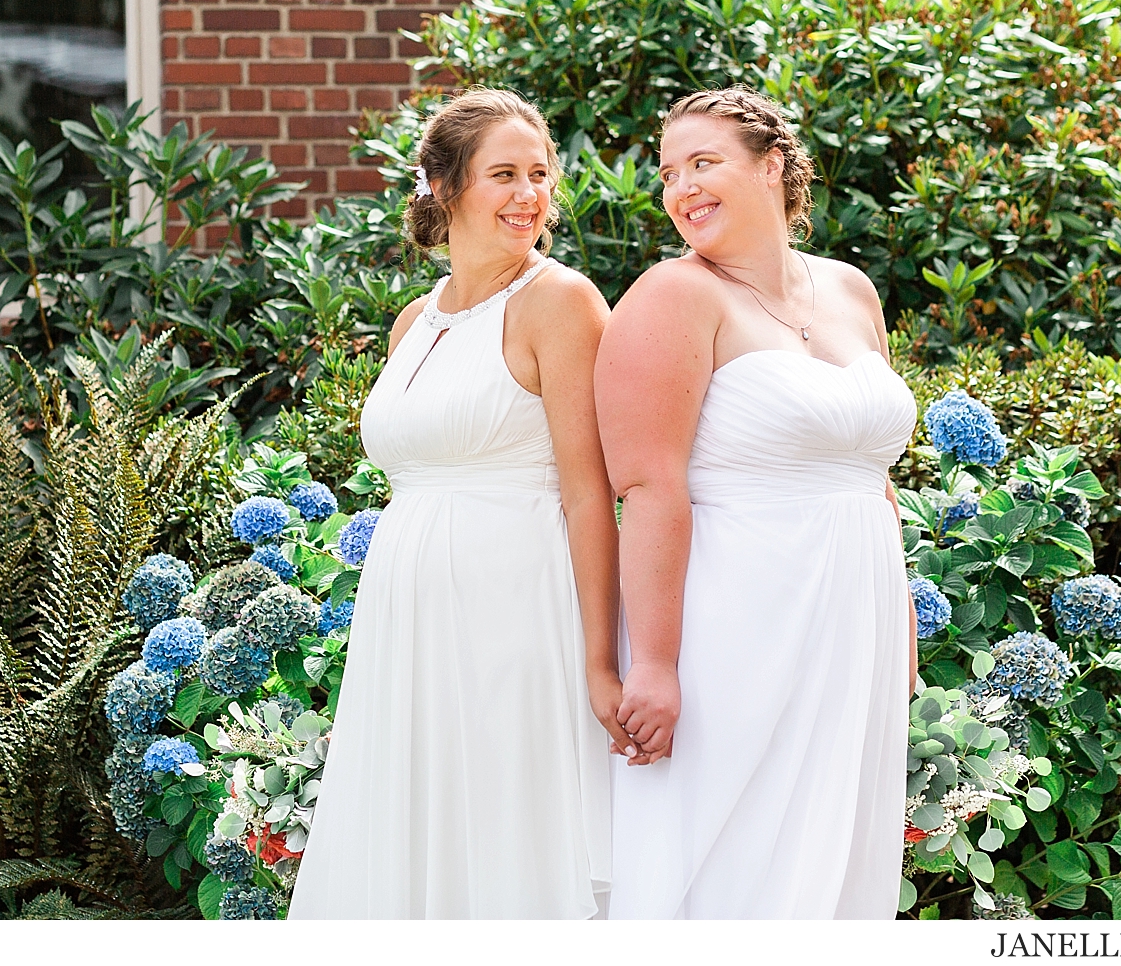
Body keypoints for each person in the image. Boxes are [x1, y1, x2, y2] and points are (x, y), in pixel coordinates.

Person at [289, 87, 630, 920]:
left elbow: (592, 492)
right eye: (504, 174)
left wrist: (599, 660)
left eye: (540, 176)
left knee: (509, 822)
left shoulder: (560, 301)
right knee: (417, 827)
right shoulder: (415, 321)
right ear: (444, 188)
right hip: (408, 626)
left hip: (519, 612)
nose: (528, 196)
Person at [596, 86, 918, 919]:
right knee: (731, 853)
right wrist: (656, 665)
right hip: (733, 626)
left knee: (840, 847)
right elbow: (646, 485)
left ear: (773, 165)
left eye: (705, 163)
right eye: (669, 174)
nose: (681, 189)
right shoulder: (673, 296)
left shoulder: (852, 291)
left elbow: (873, 476)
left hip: (856, 626)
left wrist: (905, 634)